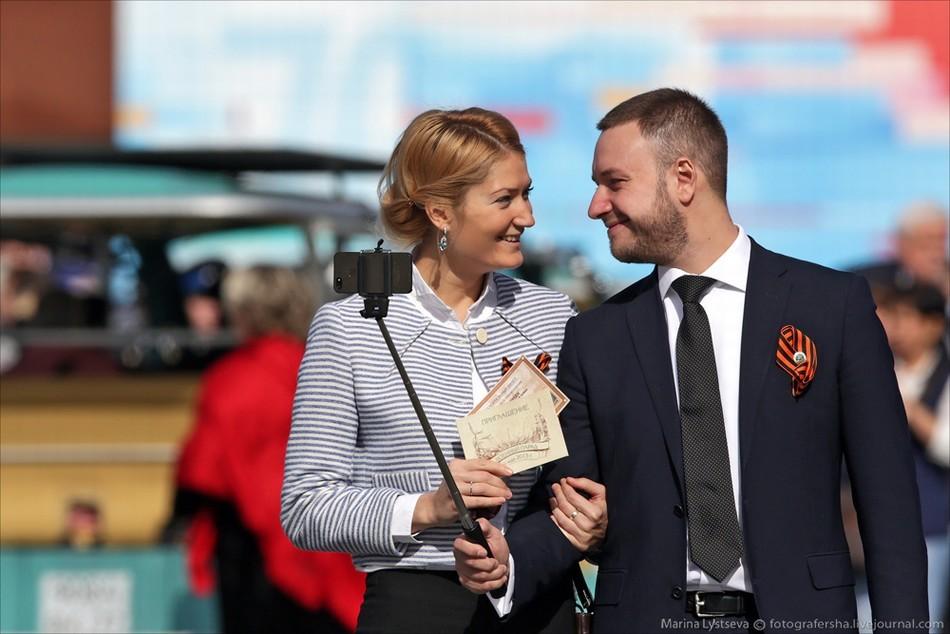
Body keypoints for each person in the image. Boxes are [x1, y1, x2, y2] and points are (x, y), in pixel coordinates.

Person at [454, 88, 929, 633]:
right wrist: (506, 559)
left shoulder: (831, 307)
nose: (595, 206)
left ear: (684, 178)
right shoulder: (595, 337)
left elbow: (889, 506)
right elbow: (569, 505)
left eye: (614, 183)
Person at [281, 108, 606, 634]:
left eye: (527, 193)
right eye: (504, 199)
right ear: (440, 213)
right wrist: (425, 506)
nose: (527, 216)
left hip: (535, 604)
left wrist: (582, 518)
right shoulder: (349, 326)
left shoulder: (551, 316)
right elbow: (304, 506)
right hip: (415, 607)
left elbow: (567, 478)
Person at [174, 266, 364, 634]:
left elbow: (201, 473)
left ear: (244, 312)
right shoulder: (332, 366)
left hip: (255, 551)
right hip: (330, 535)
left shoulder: (230, 378)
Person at [875, 282, 948, 631]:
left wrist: (906, 403)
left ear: (934, 324)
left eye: (906, 317)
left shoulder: (943, 377)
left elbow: (945, 446)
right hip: (871, 527)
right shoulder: (881, 369)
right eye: (892, 317)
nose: (896, 328)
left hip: (931, 526)